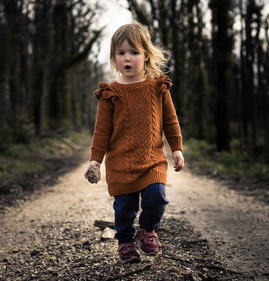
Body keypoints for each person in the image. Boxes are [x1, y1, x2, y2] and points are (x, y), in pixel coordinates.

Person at [84, 22, 184, 264]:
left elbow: (170, 121)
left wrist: (177, 149)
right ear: (114, 57)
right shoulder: (111, 93)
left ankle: (147, 230)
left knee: (157, 196)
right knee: (124, 209)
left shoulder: (158, 86)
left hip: (152, 162)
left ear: (147, 56)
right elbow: (101, 132)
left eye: (134, 52)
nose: (127, 58)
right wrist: (95, 161)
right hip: (121, 164)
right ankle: (126, 242)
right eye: (121, 53)